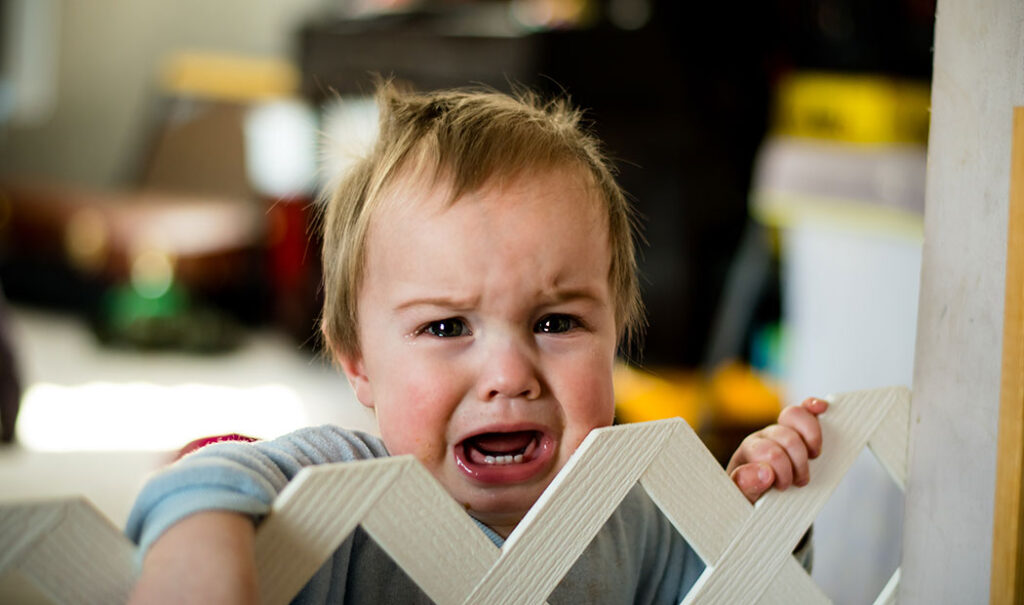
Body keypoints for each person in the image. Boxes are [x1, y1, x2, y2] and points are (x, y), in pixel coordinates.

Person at [126, 83, 827, 604]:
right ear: (358, 362)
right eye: (446, 326)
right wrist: (201, 558)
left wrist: (761, 517)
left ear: (618, 333)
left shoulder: (632, 506)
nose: (508, 374)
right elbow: (205, 475)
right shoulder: (341, 482)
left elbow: (723, 586)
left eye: (556, 323)